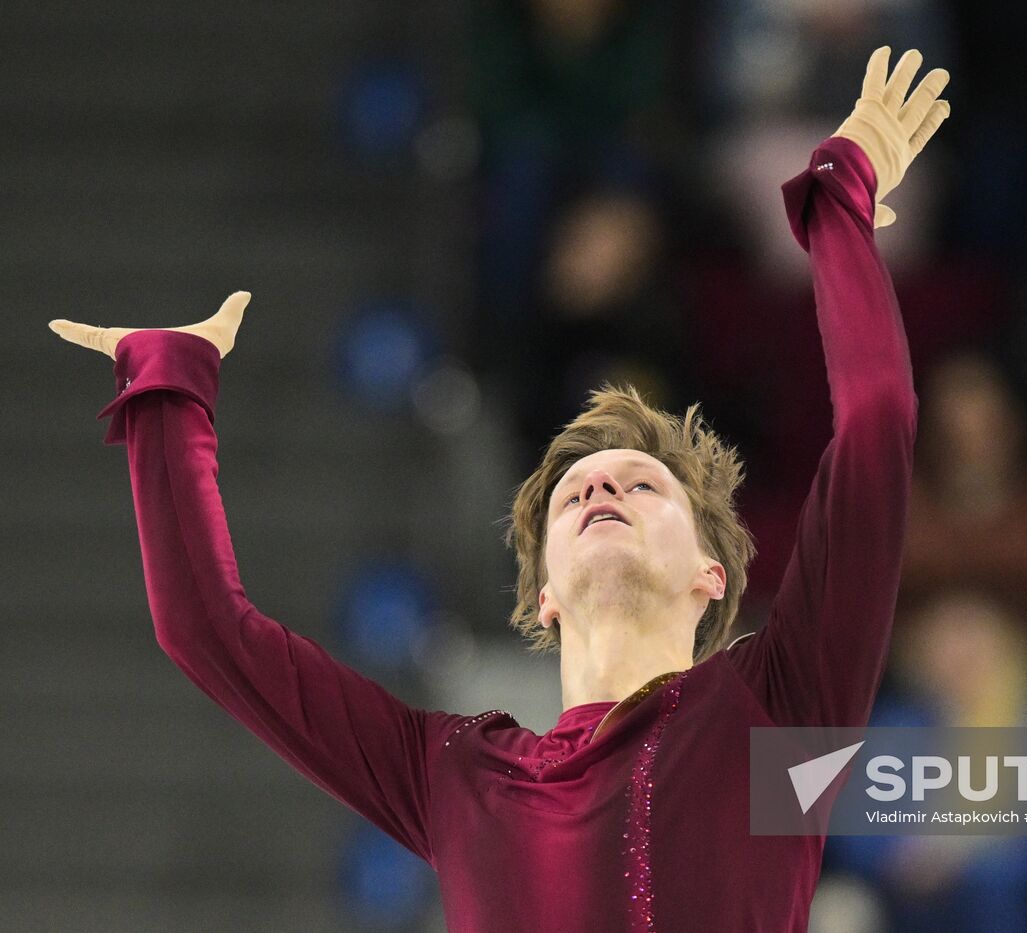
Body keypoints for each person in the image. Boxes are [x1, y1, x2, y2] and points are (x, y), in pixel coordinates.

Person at [50, 47, 950, 932]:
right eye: (575, 493)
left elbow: (876, 421)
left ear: (712, 572)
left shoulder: (778, 717)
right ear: (544, 593)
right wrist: (169, 389)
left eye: (643, 484)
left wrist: (839, 198)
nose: (601, 484)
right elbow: (208, 630)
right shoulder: (455, 773)